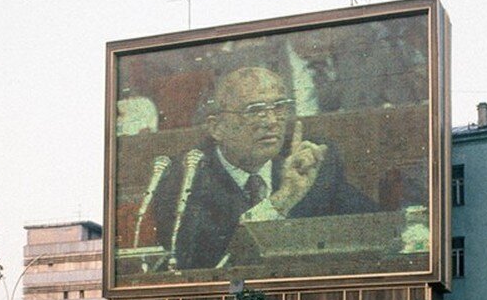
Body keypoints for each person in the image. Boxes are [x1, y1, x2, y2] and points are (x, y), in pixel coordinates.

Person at [152, 66, 376, 270]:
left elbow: (372, 226)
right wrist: (282, 199)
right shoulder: (185, 176)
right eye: (255, 110)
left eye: (279, 107)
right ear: (217, 128)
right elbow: (198, 261)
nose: (271, 121)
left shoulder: (310, 160)